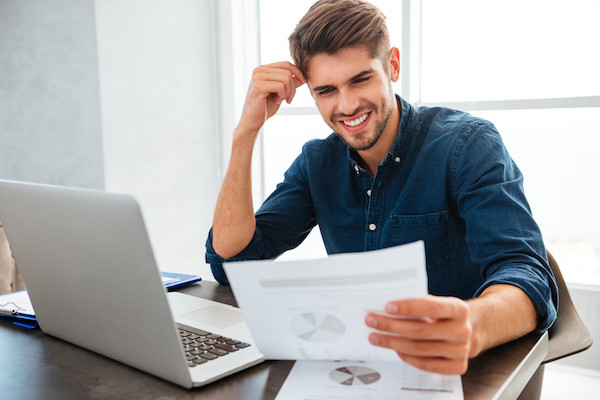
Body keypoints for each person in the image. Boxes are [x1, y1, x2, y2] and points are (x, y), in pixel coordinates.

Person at [205, 0, 558, 375]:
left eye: (360, 80)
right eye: (327, 90)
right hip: (357, 370)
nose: (347, 105)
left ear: (392, 65)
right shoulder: (317, 163)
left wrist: (472, 323)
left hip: (462, 372)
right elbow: (232, 263)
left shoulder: (467, 145)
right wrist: (245, 133)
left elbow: (526, 274)